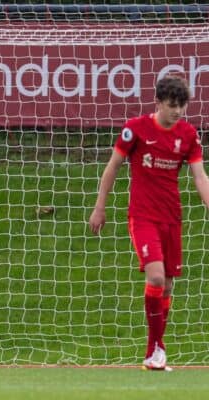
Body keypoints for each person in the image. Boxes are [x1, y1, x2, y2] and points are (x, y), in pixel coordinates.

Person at [89, 75, 209, 371]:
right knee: (155, 277)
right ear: (158, 103)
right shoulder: (135, 130)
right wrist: (99, 208)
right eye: (172, 105)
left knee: (167, 286)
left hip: (172, 217)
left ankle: (156, 350)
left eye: (182, 106)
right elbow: (112, 167)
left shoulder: (189, 134)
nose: (178, 111)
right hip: (142, 216)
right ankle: (155, 349)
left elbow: (199, 176)